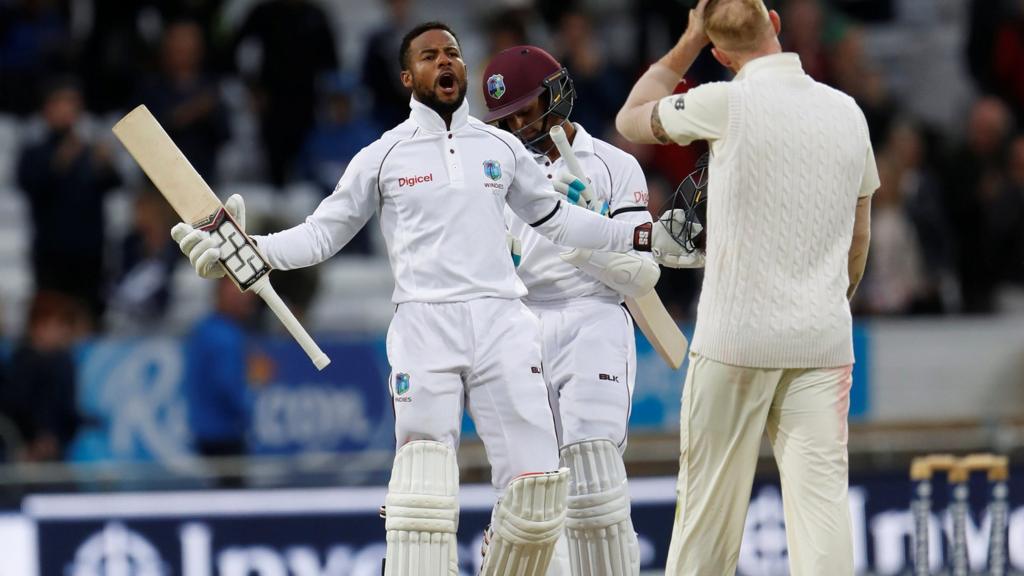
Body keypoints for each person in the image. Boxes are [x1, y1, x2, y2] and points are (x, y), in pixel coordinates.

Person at [170, 22, 685, 576]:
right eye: (429, 55)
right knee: (423, 507)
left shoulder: (503, 148)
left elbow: (560, 221)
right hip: (424, 327)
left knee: (537, 502)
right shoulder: (382, 155)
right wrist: (251, 250)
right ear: (406, 75)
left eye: (454, 53)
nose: (445, 62)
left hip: (504, 325)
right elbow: (322, 234)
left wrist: (641, 236)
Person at [615, 0, 878, 574]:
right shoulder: (849, 112)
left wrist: (686, 39)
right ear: (776, 24)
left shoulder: (722, 102)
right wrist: (831, 304)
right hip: (823, 343)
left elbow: (630, 119)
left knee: (708, 519)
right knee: (824, 516)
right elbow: (859, 239)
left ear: (719, 53)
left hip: (735, 340)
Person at [481, 45, 661, 576]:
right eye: (505, 118)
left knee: (592, 477)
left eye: (525, 109)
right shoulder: (499, 173)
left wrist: (589, 233)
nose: (517, 124)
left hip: (593, 314)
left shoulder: (613, 164)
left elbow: (642, 273)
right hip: (522, 321)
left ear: (556, 96)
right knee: (530, 491)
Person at [183, 277, 259, 486]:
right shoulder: (225, 335)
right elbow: (228, 385)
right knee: (232, 498)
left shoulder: (203, 329)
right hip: (224, 433)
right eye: (238, 295)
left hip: (204, 430)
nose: (246, 301)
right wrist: (245, 412)